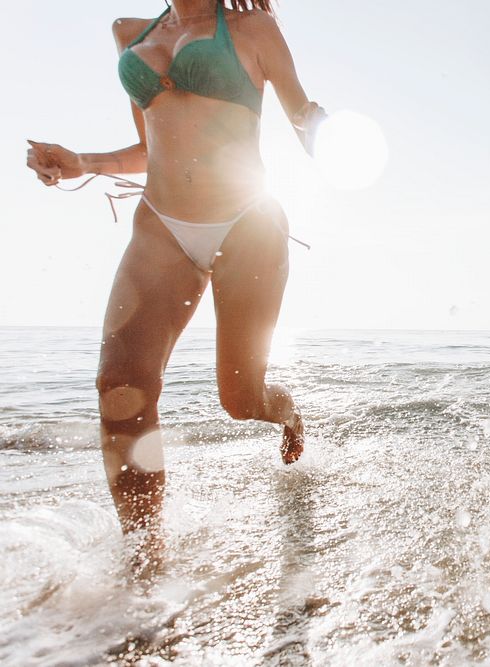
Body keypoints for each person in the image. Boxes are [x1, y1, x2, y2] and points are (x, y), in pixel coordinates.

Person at [25, 0, 324, 572]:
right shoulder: (131, 34)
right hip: (161, 227)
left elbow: (300, 113)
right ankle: (146, 565)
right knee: (120, 384)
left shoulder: (252, 27)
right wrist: (79, 160)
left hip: (248, 225)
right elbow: (149, 148)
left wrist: (330, 134)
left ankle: (284, 412)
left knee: (240, 402)